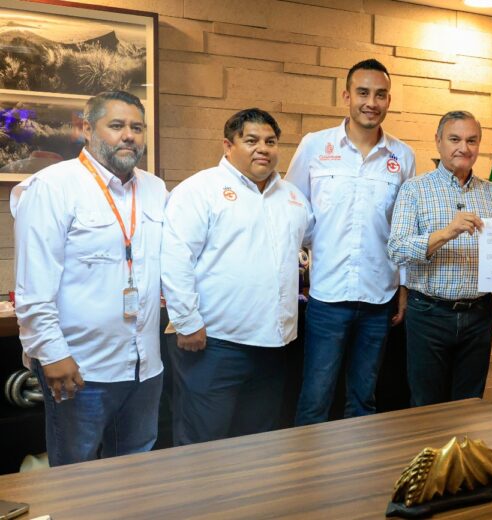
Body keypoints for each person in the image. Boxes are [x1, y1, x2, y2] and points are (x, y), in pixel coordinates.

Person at [14, 90, 166, 466]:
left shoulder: (155, 188)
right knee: (76, 474)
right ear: (86, 129)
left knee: (137, 468)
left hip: (145, 366)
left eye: (137, 128)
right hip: (81, 368)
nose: (128, 135)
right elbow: (33, 286)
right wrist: (52, 354)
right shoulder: (52, 186)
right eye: (116, 125)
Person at [161, 108, 313, 445]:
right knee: (202, 442)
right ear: (228, 145)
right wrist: (186, 321)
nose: (263, 149)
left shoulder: (292, 197)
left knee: (258, 443)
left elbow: (312, 243)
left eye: (270, 142)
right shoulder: (200, 189)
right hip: (213, 343)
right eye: (252, 140)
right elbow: (175, 258)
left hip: (273, 345)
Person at [286, 58, 416, 425]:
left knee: (363, 401)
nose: (371, 102)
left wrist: (404, 286)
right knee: (315, 398)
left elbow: (405, 228)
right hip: (327, 295)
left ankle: (356, 463)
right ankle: (308, 462)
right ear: (346, 96)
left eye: (380, 94)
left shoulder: (403, 156)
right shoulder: (315, 146)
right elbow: (293, 208)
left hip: (379, 298)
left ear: (389, 100)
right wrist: (303, 258)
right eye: (363, 92)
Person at [387, 111, 492, 405]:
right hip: (429, 313)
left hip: (478, 314)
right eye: (455, 139)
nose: (463, 148)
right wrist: (446, 233)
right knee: (426, 406)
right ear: (438, 141)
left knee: (470, 406)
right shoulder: (414, 189)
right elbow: (397, 248)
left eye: (472, 140)